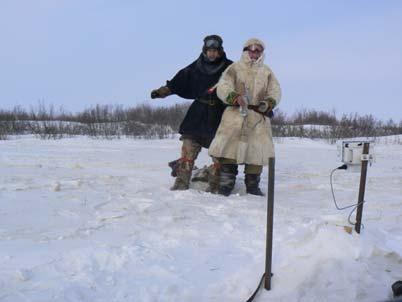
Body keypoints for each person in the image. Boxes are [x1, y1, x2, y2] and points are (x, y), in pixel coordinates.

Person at [150, 35, 233, 191]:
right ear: (204, 50)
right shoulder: (196, 67)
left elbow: (242, 82)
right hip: (198, 113)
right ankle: (181, 183)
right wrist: (161, 92)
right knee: (188, 147)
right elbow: (178, 82)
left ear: (220, 51)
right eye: (209, 51)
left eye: (215, 51)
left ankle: (214, 185)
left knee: (219, 152)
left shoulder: (230, 68)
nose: (212, 54)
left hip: (219, 114)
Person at [208, 38, 282, 196]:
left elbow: (275, 91)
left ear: (262, 52)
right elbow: (223, 86)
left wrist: (269, 102)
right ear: (246, 50)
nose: (254, 52)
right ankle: (226, 183)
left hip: (258, 118)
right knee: (229, 149)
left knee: (257, 151)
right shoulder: (234, 68)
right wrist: (234, 97)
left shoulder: (267, 71)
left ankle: (253, 185)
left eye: (258, 50)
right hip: (235, 115)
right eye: (251, 49)